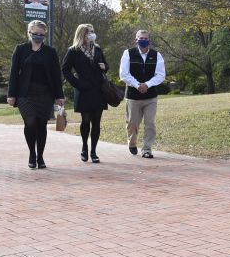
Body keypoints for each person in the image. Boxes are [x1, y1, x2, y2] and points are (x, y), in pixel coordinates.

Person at [7, 21, 64, 169]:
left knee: (41, 125)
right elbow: (13, 73)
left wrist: (59, 95)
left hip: (45, 94)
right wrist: (11, 94)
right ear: (29, 32)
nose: (38, 36)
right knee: (30, 123)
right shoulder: (20, 50)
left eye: (41, 34)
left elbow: (56, 75)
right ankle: (32, 153)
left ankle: (40, 156)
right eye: (35, 33)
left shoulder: (50, 52)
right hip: (25, 94)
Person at [61, 23, 110, 163]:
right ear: (82, 34)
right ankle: (84, 147)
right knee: (86, 120)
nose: (91, 34)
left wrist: (104, 67)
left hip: (98, 89)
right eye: (88, 32)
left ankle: (94, 151)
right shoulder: (73, 50)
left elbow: (106, 65)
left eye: (92, 32)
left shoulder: (98, 49)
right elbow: (65, 69)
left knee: (96, 122)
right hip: (83, 90)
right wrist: (77, 83)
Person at [119, 29, 165, 158]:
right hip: (133, 96)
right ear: (136, 40)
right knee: (133, 123)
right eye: (141, 38)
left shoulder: (157, 55)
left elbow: (161, 75)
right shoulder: (128, 53)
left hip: (151, 97)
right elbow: (124, 74)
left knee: (150, 123)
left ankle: (147, 148)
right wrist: (138, 85)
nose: (143, 40)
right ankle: (132, 142)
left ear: (149, 40)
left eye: (146, 38)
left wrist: (147, 84)